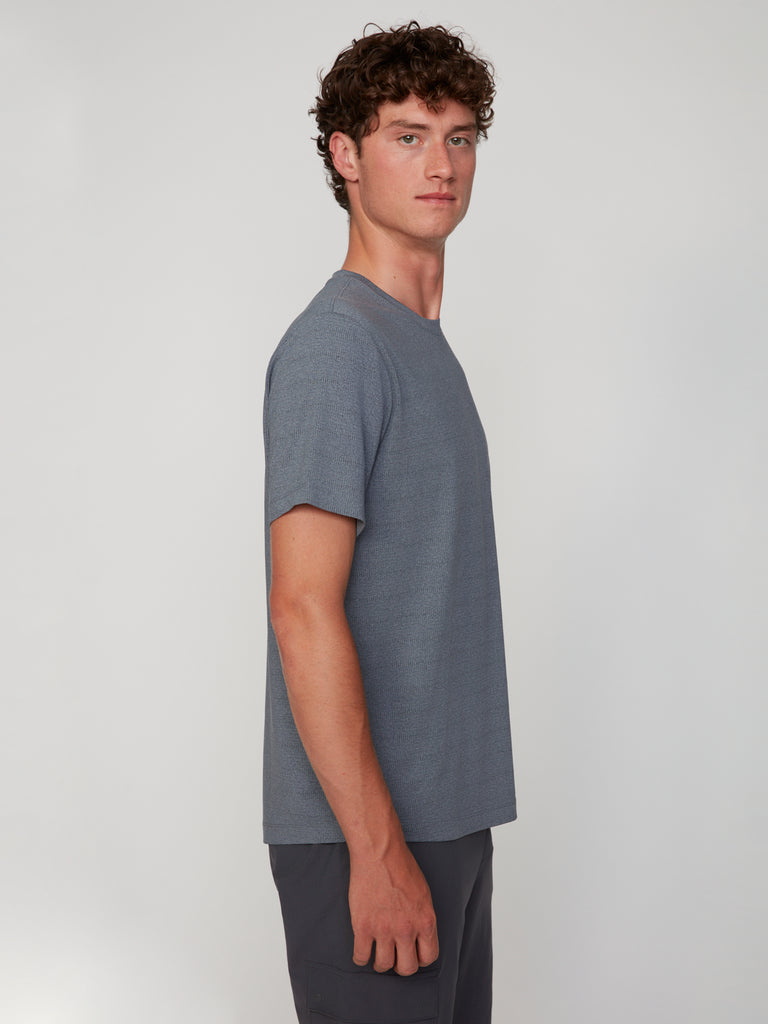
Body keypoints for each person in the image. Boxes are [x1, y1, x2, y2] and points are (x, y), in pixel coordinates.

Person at [263, 22, 516, 1024]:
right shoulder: (339, 348)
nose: (441, 163)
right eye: (407, 136)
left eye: (458, 137)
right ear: (345, 153)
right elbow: (301, 607)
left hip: (449, 817)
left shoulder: (419, 345)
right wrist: (375, 850)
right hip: (370, 837)